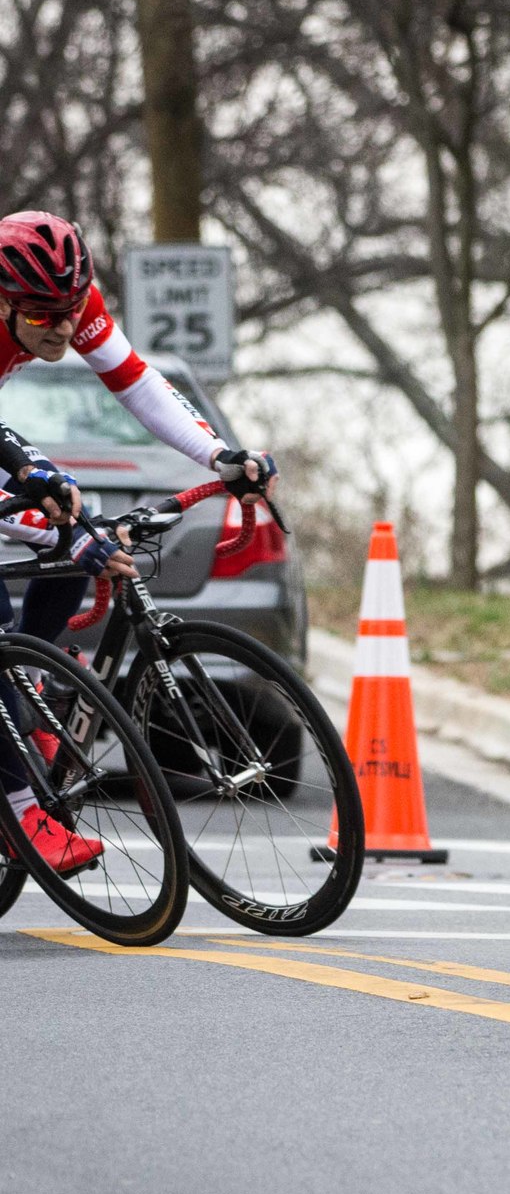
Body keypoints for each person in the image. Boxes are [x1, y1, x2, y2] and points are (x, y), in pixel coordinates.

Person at [0, 211, 275, 873]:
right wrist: (36, 488)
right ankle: (19, 812)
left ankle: (32, 690)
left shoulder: (66, 305)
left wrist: (219, 455)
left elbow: (137, 382)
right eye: (42, 318)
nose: (63, 328)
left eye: (71, 310)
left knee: (74, 516)